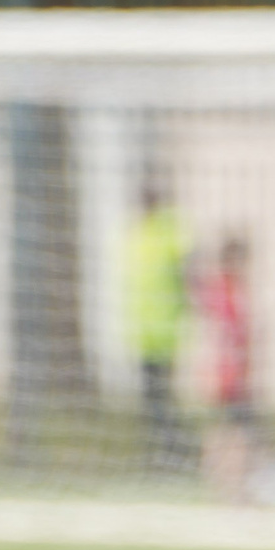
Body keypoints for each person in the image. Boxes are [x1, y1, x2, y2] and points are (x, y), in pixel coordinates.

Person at [126, 181, 191, 469]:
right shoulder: (134, 233)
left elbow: (188, 274)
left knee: (164, 399)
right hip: (142, 332)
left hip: (165, 331)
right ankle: (162, 452)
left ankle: (174, 453)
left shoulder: (171, 233)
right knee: (152, 401)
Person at [197, 233, 257, 502]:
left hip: (232, 369)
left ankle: (227, 484)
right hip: (228, 372)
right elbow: (226, 332)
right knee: (235, 429)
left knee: (230, 427)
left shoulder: (229, 288)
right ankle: (231, 486)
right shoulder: (224, 290)